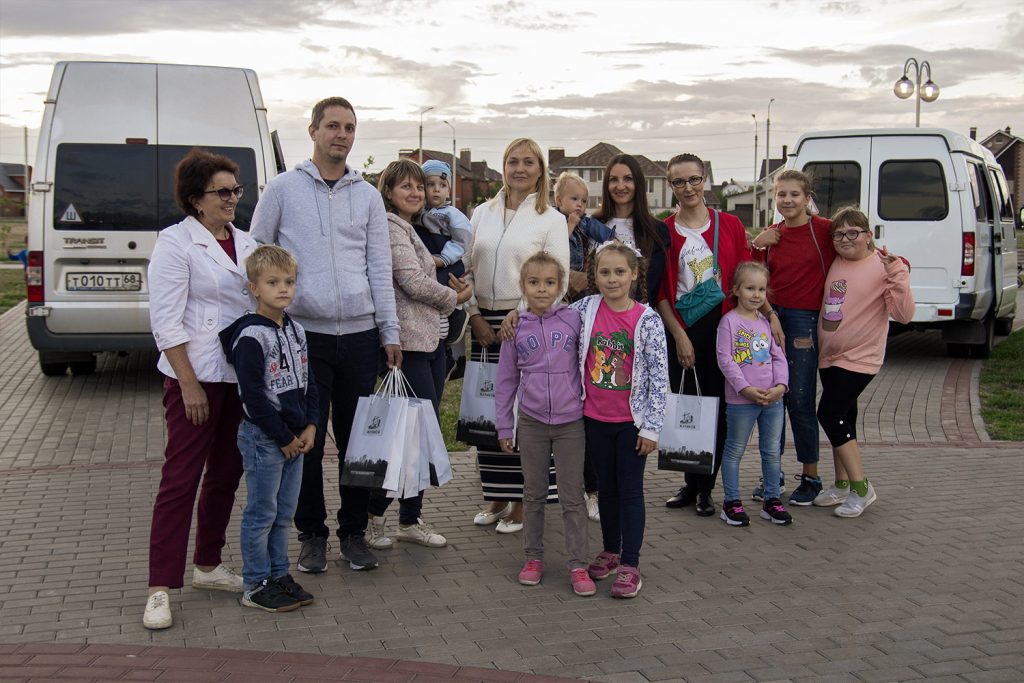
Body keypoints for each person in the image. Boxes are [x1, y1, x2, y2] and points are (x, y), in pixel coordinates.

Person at [250, 96, 401, 574]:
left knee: (360, 441)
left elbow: (379, 267)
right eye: (333, 126)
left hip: (360, 336)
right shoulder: (283, 189)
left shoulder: (368, 195)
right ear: (313, 130)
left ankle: (353, 533)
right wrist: (265, 322)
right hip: (303, 337)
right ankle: (311, 535)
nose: (342, 135)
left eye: (349, 127)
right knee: (307, 440)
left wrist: (389, 330)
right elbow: (257, 254)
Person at [144, 148, 258, 630]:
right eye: (222, 191)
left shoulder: (248, 242)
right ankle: (159, 586)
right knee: (180, 479)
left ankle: (208, 564)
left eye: (236, 190)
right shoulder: (175, 243)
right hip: (194, 376)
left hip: (238, 377)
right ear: (195, 198)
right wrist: (188, 385)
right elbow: (166, 321)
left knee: (226, 474)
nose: (232, 198)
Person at [365, 160, 472, 549]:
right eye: (406, 186)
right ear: (388, 192)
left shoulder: (415, 227)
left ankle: (409, 519)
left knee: (421, 437)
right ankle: (373, 516)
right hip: (408, 346)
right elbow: (411, 281)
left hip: (433, 344)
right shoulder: (390, 227)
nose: (416, 192)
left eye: (419, 186)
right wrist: (456, 297)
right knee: (409, 437)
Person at [464, 137, 570, 533]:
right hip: (483, 323)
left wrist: (521, 314)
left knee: (522, 414)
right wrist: (474, 315)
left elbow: (557, 279)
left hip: (526, 322)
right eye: (513, 161)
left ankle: (523, 504)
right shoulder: (481, 213)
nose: (520, 169)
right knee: (487, 411)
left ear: (541, 170)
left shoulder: (551, 219)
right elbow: (466, 269)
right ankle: (496, 495)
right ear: (503, 167)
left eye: (528, 162)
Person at [219, 245, 319, 612]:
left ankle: (279, 575)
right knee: (261, 514)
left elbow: (309, 382)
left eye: (289, 282)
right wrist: (283, 437)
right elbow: (253, 397)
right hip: (265, 440)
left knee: (283, 514)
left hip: (296, 437)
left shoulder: (296, 329)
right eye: (273, 282)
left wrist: (311, 425)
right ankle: (256, 583)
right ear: (254, 288)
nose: (283, 289)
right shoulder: (250, 337)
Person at [657, 153, 751, 518]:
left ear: (705, 180)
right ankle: (690, 481)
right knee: (687, 407)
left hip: (722, 327)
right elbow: (661, 292)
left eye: (694, 179)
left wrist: (767, 316)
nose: (688, 188)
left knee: (717, 408)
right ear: (671, 186)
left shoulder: (730, 225)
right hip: (683, 327)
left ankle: (706, 488)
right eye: (679, 182)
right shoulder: (664, 231)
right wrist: (679, 336)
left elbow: (745, 276)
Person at [495, 252, 593, 596]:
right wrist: (504, 426)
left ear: (560, 285)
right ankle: (533, 558)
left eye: (549, 282)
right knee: (533, 494)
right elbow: (505, 381)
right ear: (522, 286)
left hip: (571, 423)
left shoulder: (575, 319)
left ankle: (578, 564)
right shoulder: (514, 328)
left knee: (572, 497)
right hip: (532, 423)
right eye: (533, 282)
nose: (541, 289)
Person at [578, 242, 668, 598]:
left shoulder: (647, 319)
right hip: (593, 419)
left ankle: (631, 563)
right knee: (606, 488)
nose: (612, 279)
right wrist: (517, 314)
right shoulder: (585, 309)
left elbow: (659, 378)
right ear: (595, 275)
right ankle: (610, 551)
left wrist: (651, 428)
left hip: (631, 424)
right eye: (604, 272)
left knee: (629, 490)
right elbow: (548, 314)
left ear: (633, 274)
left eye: (619, 272)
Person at [815, 207, 914, 517]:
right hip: (829, 356)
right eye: (838, 234)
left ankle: (861, 488)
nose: (845, 239)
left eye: (853, 233)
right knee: (844, 418)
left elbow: (904, 314)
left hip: (860, 358)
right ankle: (841, 485)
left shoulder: (883, 267)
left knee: (829, 414)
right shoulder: (836, 261)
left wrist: (898, 272)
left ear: (869, 235)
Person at [750, 169, 835, 505]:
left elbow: (860, 247)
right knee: (771, 399)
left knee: (799, 399)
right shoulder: (772, 235)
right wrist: (757, 245)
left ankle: (811, 476)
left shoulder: (824, 230)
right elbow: (754, 280)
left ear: (807, 197)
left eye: (794, 194)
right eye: (781, 194)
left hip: (803, 321)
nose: (787, 200)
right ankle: (773, 475)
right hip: (770, 317)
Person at [554, 171, 613, 521]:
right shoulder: (553, 223)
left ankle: (593, 489)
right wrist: (570, 224)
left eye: (584, 200)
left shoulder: (586, 225)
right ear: (557, 199)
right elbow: (553, 255)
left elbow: (610, 239)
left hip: (581, 310)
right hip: (555, 312)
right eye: (573, 199)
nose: (579, 205)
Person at [716, 262, 791, 527]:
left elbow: (778, 356)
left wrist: (780, 386)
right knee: (734, 450)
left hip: (772, 400)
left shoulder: (765, 323)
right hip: (741, 401)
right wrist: (745, 389)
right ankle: (731, 502)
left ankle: (772, 500)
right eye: (750, 288)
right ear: (736, 290)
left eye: (761, 289)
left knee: (771, 451)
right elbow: (725, 359)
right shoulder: (728, 322)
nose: (756, 295)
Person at [592, 154, 670, 303]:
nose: (620, 186)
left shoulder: (657, 231)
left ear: (638, 183)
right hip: (595, 313)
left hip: (636, 313)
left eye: (628, 179)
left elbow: (652, 285)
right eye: (613, 180)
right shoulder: (593, 224)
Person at [420, 159, 472, 348]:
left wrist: (444, 259)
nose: (436, 190)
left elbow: (462, 239)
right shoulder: (419, 212)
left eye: (442, 185)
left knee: (441, 289)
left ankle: (457, 314)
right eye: (430, 184)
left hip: (448, 263)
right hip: (431, 261)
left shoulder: (451, 213)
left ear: (449, 191)